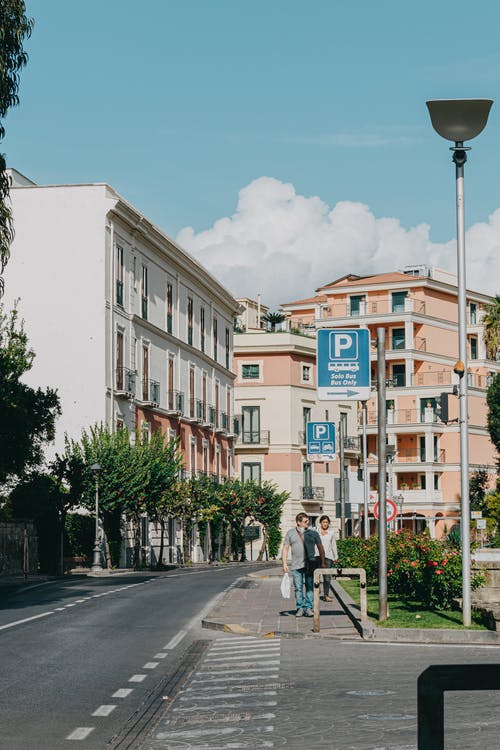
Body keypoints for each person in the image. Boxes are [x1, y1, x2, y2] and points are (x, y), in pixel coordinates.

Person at [282, 512, 326, 617]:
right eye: (305, 521)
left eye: (308, 521)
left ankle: (308, 607)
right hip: (296, 565)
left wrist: (323, 562)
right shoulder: (290, 533)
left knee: (310, 587)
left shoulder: (313, 533)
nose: (308, 523)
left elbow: (320, 547)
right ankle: (300, 608)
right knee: (298, 587)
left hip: (310, 564)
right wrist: (284, 563)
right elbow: (285, 548)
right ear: (298, 522)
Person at [316, 515, 338, 602]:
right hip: (317, 556)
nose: (325, 524)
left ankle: (326, 595)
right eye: (324, 522)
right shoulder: (316, 532)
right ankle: (317, 589)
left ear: (329, 523)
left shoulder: (331, 533)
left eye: (327, 522)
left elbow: (333, 545)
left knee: (327, 577)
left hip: (328, 557)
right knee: (316, 575)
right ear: (320, 522)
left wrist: (336, 556)